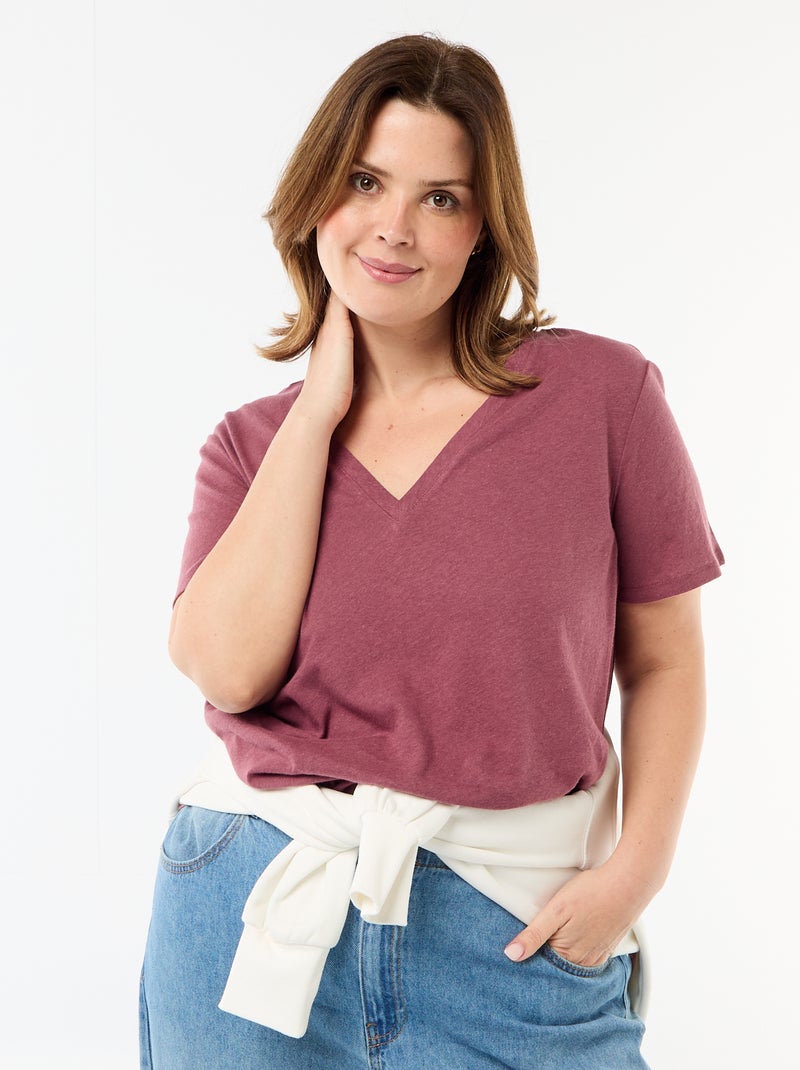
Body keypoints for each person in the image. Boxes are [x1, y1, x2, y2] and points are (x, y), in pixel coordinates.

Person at [139, 33, 723, 1070]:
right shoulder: (252, 445)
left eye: (440, 198)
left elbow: (666, 658)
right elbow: (229, 671)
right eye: (365, 181)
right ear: (316, 192)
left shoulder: (600, 397)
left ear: (483, 226)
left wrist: (635, 873)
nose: (393, 228)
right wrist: (318, 411)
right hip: (253, 909)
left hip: (510, 924)